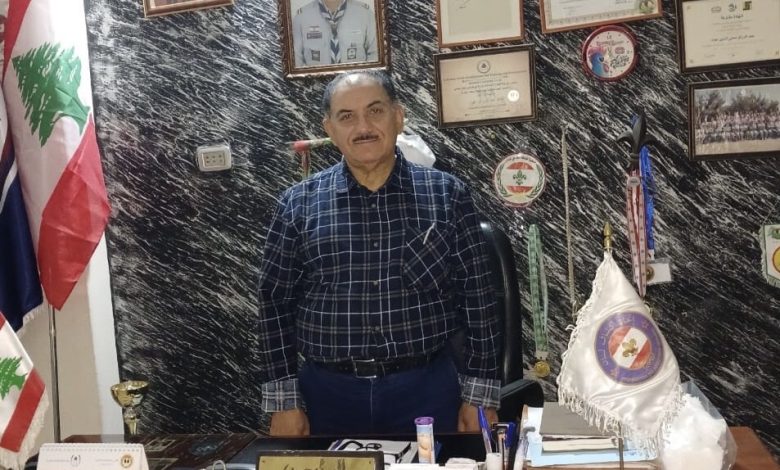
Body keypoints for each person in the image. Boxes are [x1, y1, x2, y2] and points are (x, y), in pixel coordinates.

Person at [257, 70, 500, 436]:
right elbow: (274, 306)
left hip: (427, 391)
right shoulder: (297, 204)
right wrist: (283, 403)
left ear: (398, 116)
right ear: (329, 128)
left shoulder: (447, 195)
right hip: (327, 395)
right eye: (346, 117)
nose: (363, 127)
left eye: (375, 111)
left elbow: (478, 299)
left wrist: (480, 397)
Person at [291, 0, 377, 68]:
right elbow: (296, 61)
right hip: (314, 83)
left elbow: (375, 55)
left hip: (357, 83)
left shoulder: (365, 14)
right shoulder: (301, 17)